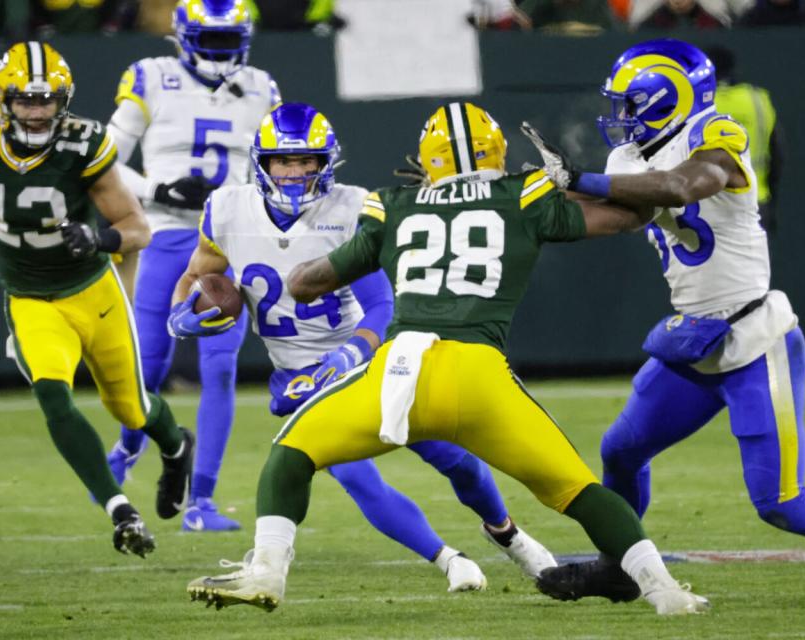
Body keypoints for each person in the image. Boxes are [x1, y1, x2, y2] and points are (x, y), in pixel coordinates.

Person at [184, 101, 710, 615]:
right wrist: (573, 181)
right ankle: (664, 589)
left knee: (289, 457)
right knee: (578, 490)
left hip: (397, 374)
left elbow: (303, 283)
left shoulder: (392, 203)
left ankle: (268, 570)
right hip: (479, 376)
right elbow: (626, 218)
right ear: (497, 151)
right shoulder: (522, 194)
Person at [168, 102, 560, 592]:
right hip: (298, 374)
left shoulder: (352, 207)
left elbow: (380, 305)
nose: (295, 173)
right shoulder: (228, 210)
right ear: (262, 163)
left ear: (326, 163)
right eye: (284, 162)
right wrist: (182, 314)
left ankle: (511, 537)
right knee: (355, 477)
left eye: (307, 162)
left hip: (374, 356)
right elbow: (194, 277)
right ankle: (448, 560)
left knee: (453, 458)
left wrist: (346, 357)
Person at [525, 38, 805, 602]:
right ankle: (619, 567)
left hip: (756, 336)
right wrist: (520, 204)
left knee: (781, 503)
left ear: (669, 97)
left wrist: (577, 180)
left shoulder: (717, 129)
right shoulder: (627, 161)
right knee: (621, 451)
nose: (621, 117)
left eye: (631, 103)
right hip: (697, 338)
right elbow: (611, 217)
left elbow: (684, 185)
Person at [0, 41, 194, 558]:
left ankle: (177, 445)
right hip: (30, 298)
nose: (37, 111)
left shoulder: (82, 144)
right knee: (53, 395)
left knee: (132, 408)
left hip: (92, 292)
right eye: (26, 101)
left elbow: (137, 228)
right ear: (0, 100)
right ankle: (119, 509)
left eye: (47, 100)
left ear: (64, 100)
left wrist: (98, 239)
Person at [104, 0, 280, 532]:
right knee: (148, 367)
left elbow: (274, 162)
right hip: (166, 232)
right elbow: (103, 159)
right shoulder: (151, 76)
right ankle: (129, 449)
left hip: (229, 240)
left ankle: (201, 501)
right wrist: (157, 187)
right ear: (184, 36)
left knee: (221, 367)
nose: (224, 53)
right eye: (214, 41)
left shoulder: (262, 87)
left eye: (231, 42)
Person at [706, 45, 783, 231]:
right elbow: (778, 154)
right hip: (754, 203)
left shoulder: (693, 103)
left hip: (705, 208)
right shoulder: (757, 100)